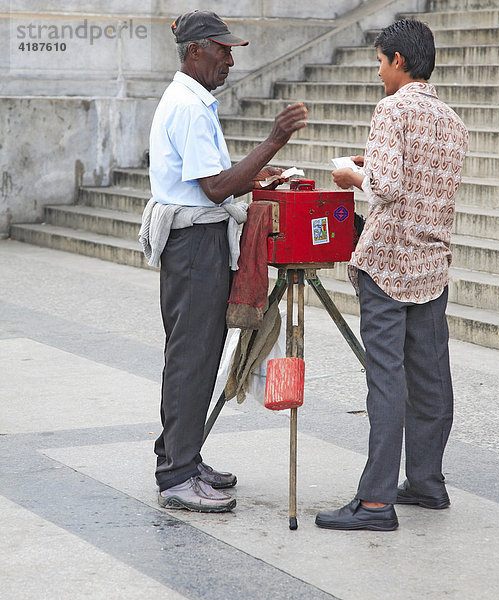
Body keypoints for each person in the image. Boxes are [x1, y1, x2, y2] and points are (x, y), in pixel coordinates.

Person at [141, 10, 307, 513]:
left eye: (232, 51)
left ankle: (181, 456)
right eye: (223, 50)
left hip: (198, 241)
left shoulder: (192, 101)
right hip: (194, 246)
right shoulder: (189, 107)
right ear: (195, 51)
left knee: (195, 353)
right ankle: (176, 476)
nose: (230, 60)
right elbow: (214, 188)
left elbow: (214, 179)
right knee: (193, 356)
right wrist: (273, 142)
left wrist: (256, 174)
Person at [315, 19, 468, 531]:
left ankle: (376, 502)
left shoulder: (392, 108)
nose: (379, 73)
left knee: (385, 379)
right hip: (431, 267)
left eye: (380, 62)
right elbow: (420, 182)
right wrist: (374, 166)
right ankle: (427, 482)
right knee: (430, 377)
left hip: (388, 264)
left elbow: (384, 186)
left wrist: (350, 175)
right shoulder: (452, 121)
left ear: (399, 60)